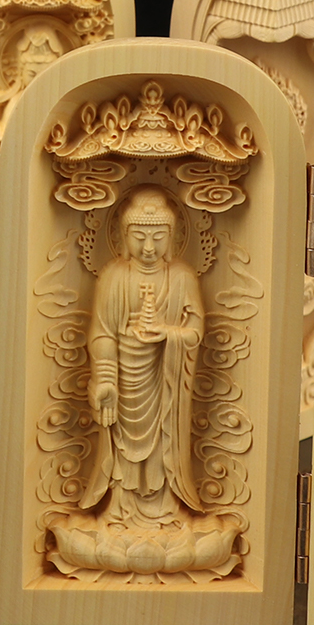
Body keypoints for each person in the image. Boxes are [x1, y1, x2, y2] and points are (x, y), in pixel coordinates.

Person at [81, 187, 206, 529]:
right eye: (139, 237)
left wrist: (168, 333)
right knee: (122, 445)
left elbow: (195, 330)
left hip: (164, 378)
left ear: (172, 237)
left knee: (163, 441)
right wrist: (106, 381)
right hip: (124, 378)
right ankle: (121, 509)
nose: (148, 248)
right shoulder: (113, 277)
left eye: (158, 237)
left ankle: (165, 509)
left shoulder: (181, 277)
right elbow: (102, 333)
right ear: (124, 237)